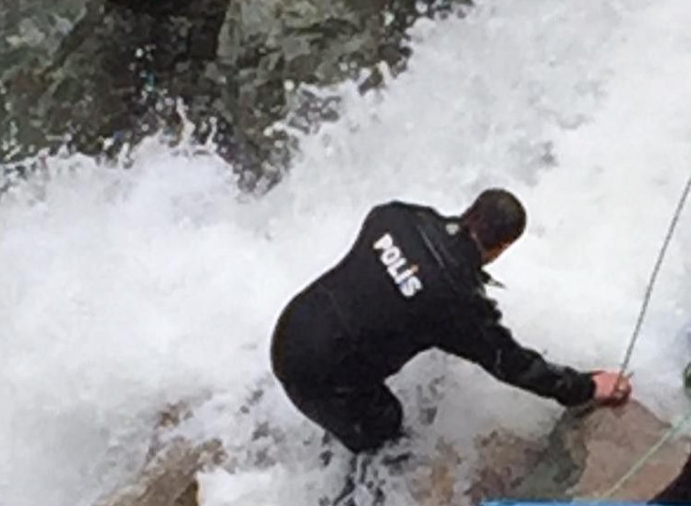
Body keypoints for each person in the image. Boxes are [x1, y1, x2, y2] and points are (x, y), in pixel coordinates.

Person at [271, 189, 632, 461]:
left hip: (291, 326)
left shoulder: (395, 218)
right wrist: (585, 387)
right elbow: (512, 365)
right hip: (316, 375)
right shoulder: (457, 303)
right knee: (387, 433)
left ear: (470, 210)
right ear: (503, 246)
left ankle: (320, 442)